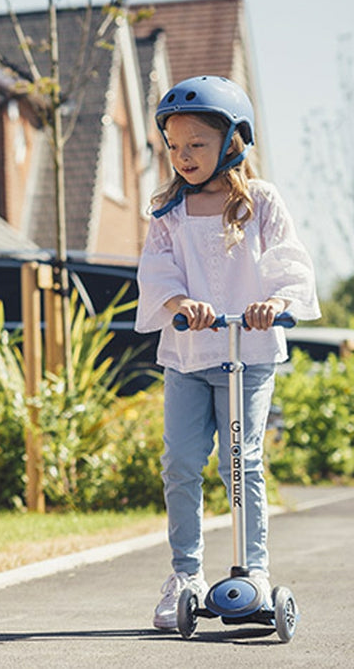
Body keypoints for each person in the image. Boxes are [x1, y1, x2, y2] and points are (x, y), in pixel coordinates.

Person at [134, 76, 320, 631]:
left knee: (243, 462)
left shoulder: (259, 201)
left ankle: (253, 571)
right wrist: (180, 301)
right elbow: (157, 270)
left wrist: (276, 300)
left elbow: (289, 259)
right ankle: (186, 574)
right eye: (173, 145)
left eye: (195, 144)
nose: (182, 156)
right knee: (182, 465)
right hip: (188, 355)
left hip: (250, 350)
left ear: (233, 141)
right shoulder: (168, 209)